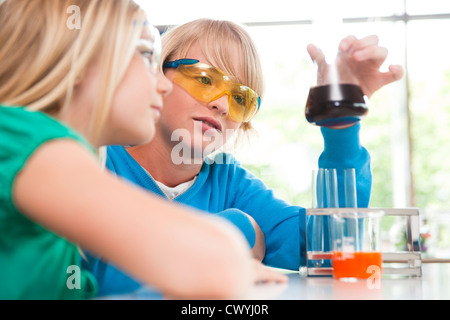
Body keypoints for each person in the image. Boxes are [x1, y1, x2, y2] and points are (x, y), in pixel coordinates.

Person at [83, 18, 404, 295]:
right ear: (157, 76)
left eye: (240, 98)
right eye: (205, 79)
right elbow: (96, 283)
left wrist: (341, 119)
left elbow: (335, 245)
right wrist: (237, 228)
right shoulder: (92, 161)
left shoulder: (229, 181)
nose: (221, 106)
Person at [0, 0, 286, 300]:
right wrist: (241, 228)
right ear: (77, 59)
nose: (162, 85)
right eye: (148, 56)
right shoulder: (23, 137)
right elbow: (215, 263)